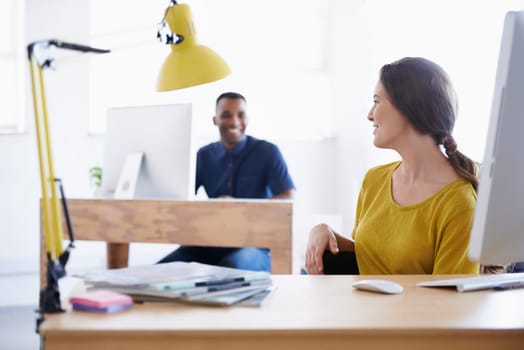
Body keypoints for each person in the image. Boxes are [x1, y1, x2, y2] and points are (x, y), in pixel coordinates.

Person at [305, 57, 480, 275]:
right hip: (359, 308)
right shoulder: (374, 180)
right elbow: (370, 258)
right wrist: (325, 232)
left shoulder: (459, 204)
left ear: (409, 108)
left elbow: (451, 302)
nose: (370, 115)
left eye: (377, 101)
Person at [158, 92, 295, 271]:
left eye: (241, 115)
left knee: (231, 269)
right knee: (160, 270)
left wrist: (239, 206)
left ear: (248, 118)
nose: (234, 122)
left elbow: (288, 198)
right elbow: (182, 197)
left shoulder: (268, 153)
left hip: (254, 244)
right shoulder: (204, 155)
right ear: (215, 120)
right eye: (226, 115)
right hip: (210, 242)